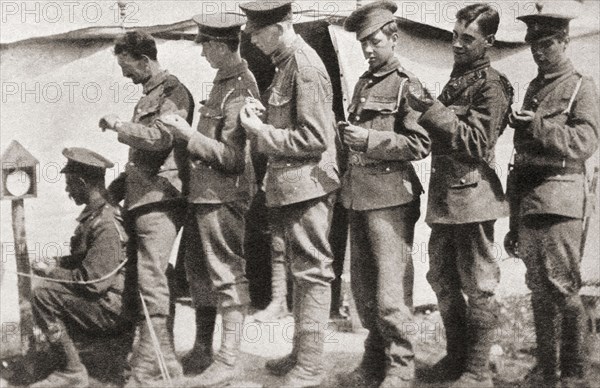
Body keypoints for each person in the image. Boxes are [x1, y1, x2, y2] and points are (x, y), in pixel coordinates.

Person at [407, 4, 513, 387]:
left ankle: (477, 370)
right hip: (446, 202)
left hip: (473, 201)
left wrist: (432, 109)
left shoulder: (491, 84)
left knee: (479, 287)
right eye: (454, 36)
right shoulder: (459, 78)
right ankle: (456, 359)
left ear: (489, 41)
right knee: (443, 281)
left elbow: (477, 142)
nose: (456, 44)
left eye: (467, 39)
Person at [239, 1, 341, 386]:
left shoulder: (305, 66)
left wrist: (260, 133)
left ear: (280, 28)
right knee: (301, 273)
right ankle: (301, 353)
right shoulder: (286, 64)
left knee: (313, 272)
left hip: (308, 186)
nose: (252, 39)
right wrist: (263, 116)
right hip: (292, 186)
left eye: (257, 33)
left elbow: (314, 138)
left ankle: (312, 365)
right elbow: (292, 121)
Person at [158, 12, 259, 387]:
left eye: (205, 47)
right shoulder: (223, 84)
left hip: (223, 196)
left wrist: (186, 135)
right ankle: (203, 349)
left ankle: (228, 359)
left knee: (227, 276)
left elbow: (234, 158)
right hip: (203, 197)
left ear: (219, 45)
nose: (202, 54)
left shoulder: (241, 89)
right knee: (198, 273)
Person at [337, 1, 431, 387]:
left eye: (375, 42)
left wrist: (371, 139)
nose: (368, 50)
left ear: (394, 37)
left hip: (391, 199)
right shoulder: (363, 82)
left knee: (392, 294)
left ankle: (401, 367)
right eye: (363, 44)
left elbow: (420, 143)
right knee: (364, 288)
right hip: (358, 195)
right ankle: (374, 361)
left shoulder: (408, 84)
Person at [506, 4, 599, 387]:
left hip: (561, 198)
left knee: (563, 287)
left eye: (547, 44)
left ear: (564, 42)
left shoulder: (581, 85)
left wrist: (539, 126)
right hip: (530, 198)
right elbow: (525, 151)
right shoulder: (534, 87)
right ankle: (546, 370)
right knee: (537, 289)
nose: (539, 52)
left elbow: (585, 142)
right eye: (534, 46)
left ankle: (574, 372)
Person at [99, 30, 195, 386]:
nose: (126, 74)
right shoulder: (150, 94)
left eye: (128, 66)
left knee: (151, 279)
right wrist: (118, 188)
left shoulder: (173, 92)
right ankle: (165, 360)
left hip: (162, 200)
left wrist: (119, 127)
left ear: (144, 59)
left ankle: (148, 362)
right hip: (144, 199)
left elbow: (161, 139)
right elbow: (142, 159)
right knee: (146, 279)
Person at [30, 148, 131, 388]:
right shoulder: (98, 216)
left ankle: (71, 370)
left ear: (83, 182)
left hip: (113, 310)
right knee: (49, 288)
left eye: (70, 184)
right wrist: (60, 263)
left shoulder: (105, 224)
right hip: (112, 302)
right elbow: (87, 258)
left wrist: (51, 272)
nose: (67, 191)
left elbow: (94, 283)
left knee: (42, 295)